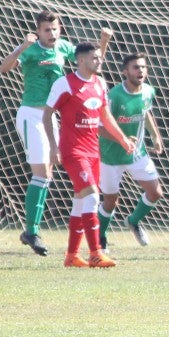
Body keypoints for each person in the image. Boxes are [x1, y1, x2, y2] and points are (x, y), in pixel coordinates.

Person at [0, 10, 111, 257]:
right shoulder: (30, 49)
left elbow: (92, 61)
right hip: (31, 114)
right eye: (47, 30)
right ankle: (32, 230)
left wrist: (104, 41)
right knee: (42, 172)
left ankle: (62, 239)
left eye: (55, 29)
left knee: (57, 174)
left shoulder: (63, 48)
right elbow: (4, 68)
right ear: (38, 31)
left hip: (53, 117)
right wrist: (21, 48)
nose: (52, 34)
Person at [43, 41, 133, 268]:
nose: (99, 61)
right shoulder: (65, 84)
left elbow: (105, 117)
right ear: (81, 60)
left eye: (99, 58)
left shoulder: (100, 83)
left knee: (80, 202)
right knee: (92, 196)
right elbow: (47, 114)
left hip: (94, 151)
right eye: (94, 58)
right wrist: (53, 146)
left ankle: (72, 256)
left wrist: (122, 138)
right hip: (73, 151)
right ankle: (95, 252)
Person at [98, 52, 165, 251]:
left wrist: (155, 136)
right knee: (111, 201)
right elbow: (99, 128)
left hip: (137, 153)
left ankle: (134, 221)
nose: (141, 71)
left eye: (143, 67)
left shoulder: (148, 91)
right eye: (136, 67)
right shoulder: (115, 96)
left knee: (155, 192)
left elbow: (146, 112)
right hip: (110, 156)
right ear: (125, 71)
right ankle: (100, 237)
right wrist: (122, 139)